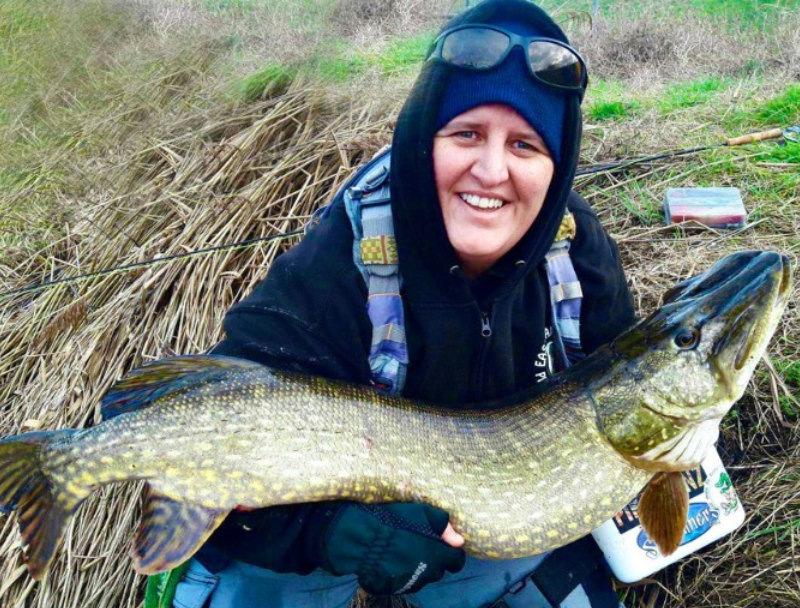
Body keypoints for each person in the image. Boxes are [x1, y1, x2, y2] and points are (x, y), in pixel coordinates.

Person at [146, 0, 636, 606]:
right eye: (466, 134)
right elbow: (223, 439)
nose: (491, 170)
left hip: (487, 524)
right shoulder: (340, 261)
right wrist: (335, 535)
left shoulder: (575, 249)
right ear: (421, 137)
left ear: (555, 168)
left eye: (525, 146)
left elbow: (623, 375)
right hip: (315, 533)